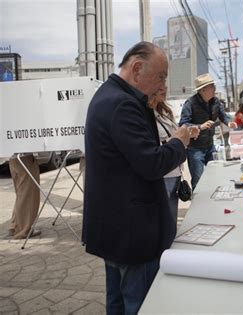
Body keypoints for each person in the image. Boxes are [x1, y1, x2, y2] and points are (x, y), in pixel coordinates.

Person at [83, 41, 191, 314]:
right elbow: (151, 163)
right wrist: (178, 143)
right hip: (133, 233)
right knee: (140, 304)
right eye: (161, 76)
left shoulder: (107, 96)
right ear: (137, 68)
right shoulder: (122, 104)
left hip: (115, 231)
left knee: (117, 302)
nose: (162, 85)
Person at [179, 73, 237, 190]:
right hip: (195, 149)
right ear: (202, 90)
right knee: (198, 180)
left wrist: (228, 123)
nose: (215, 88)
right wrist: (200, 126)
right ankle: (198, 206)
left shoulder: (216, 101)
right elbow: (183, 124)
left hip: (210, 146)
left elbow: (222, 115)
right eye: (212, 86)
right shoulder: (190, 104)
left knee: (216, 176)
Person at [149, 91, 199, 225]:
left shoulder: (165, 113)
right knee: (164, 220)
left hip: (175, 172)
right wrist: (177, 140)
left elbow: (177, 140)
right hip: (164, 175)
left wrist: (188, 135)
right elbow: (152, 149)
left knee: (171, 220)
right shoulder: (146, 116)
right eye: (159, 86)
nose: (164, 89)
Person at [8, 154, 41, 239]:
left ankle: (15, 226)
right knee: (28, 195)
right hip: (25, 157)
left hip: (13, 158)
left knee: (21, 194)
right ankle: (23, 230)